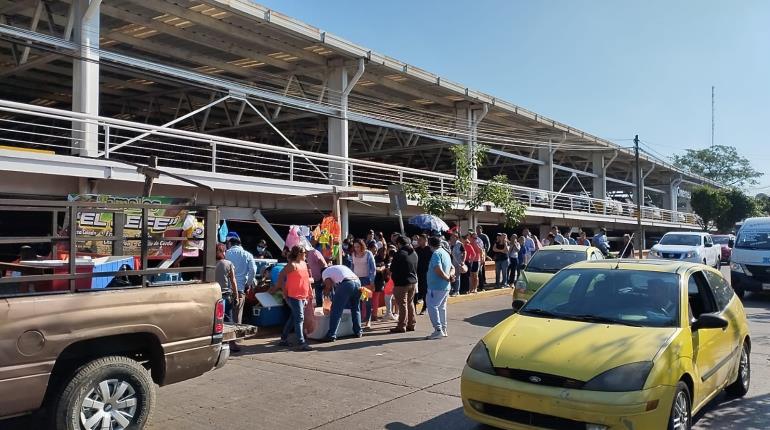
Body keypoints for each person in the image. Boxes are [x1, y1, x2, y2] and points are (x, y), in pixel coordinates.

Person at [275, 246, 313, 351]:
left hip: (302, 295)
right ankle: (301, 342)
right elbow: (281, 275)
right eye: (304, 252)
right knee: (299, 318)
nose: (306, 254)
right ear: (298, 253)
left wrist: (309, 292)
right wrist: (283, 290)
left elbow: (306, 279)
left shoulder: (304, 264)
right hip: (294, 296)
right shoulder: (292, 265)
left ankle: (283, 339)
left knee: (294, 318)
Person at [322, 264, 363, 342]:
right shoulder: (338, 268)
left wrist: (326, 293)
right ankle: (358, 331)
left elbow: (328, 285)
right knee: (355, 308)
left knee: (336, 310)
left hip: (347, 283)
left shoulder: (324, 273)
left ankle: (331, 335)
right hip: (357, 282)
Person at [425, 236, 454, 340]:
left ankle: (438, 330)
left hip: (436, 286)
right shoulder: (445, 252)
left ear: (430, 244)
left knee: (432, 307)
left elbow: (438, 269)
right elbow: (452, 268)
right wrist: (450, 276)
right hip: (444, 287)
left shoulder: (436, 254)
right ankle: (443, 329)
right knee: (441, 307)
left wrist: (447, 278)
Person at [224, 232, 256, 327]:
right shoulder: (248, 255)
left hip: (227, 289)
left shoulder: (226, 253)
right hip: (240, 288)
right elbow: (253, 270)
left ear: (230, 244)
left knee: (225, 315)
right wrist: (248, 284)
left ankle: (226, 337)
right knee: (237, 314)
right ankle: (235, 338)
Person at [389, 236, 418, 333]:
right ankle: (411, 324)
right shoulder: (414, 253)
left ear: (398, 244)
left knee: (402, 305)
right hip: (413, 282)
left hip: (401, 283)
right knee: (410, 303)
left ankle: (401, 325)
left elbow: (392, 269)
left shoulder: (399, 254)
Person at [351, 239, 377, 329]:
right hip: (356, 280)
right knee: (357, 300)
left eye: (358, 246)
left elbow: (373, 269)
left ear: (362, 246)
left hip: (366, 280)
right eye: (355, 247)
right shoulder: (353, 254)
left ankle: (368, 320)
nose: (356, 248)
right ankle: (359, 319)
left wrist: (372, 281)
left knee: (366, 301)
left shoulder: (368, 254)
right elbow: (352, 267)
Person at [215, 243, 239, 324]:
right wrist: (236, 296)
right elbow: (233, 281)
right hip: (224, 295)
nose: (224, 253)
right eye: (223, 251)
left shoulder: (209, 264)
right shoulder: (228, 263)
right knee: (227, 319)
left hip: (212, 295)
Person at [415, 234, 433, 315]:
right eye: (418, 240)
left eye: (420, 240)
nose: (418, 241)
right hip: (417, 272)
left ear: (426, 240)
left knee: (425, 290)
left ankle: (425, 307)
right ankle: (414, 308)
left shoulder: (430, 250)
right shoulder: (416, 250)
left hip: (427, 273)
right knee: (417, 290)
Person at [306, 241, 328, 307]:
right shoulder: (307, 254)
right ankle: (320, 306)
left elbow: (322, 263)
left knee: (321, 291)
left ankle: (323, 306)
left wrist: (322, 274)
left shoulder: (313, 252)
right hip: (316, 276)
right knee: (318, 291)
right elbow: (311, 265)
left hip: (321, 274)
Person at [383, 245, 398, 320]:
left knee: (395, 298)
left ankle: (396, 313)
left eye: (393, 250)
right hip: (389, 281)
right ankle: (389, 313)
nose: (391, 252)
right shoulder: (387, 259)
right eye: (390, 251)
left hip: (395, 281)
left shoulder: (398, 259)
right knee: (388, 297)